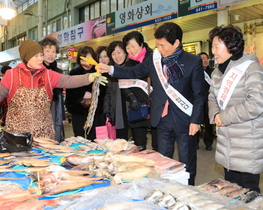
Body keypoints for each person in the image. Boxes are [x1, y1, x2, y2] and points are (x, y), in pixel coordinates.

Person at [97, 22, 205, 185]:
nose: (159, 49)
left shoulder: (193, 61)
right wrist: (111, 69)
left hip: (185, 120)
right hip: (162, 118)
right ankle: (165, 192)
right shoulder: (155, 59)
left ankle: (188, 191)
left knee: (186, 161)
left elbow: (199, 95)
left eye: (162, 45)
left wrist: (196, 120)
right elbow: (134, 71)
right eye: (157, 45)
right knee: (162, 162)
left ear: (176, 43)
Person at [0, 40, 106, 140]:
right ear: (27, 57)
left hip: (43, 134)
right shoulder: (12, 75)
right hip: (16, 134)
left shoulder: (48, 74)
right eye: (36, 56)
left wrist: (89, 77)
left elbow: (68, 80)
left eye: (41, 55)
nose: (40, 59)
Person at [208, 25, 263, 193]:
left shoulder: (250, 68)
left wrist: (224, 117)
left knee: (249, 192)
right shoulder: (217, 72)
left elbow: (257, 103)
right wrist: (215, 114)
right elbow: (211, 97)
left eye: (217, 46)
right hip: (226, 142)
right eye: (212, 46)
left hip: (247, 143)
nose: (213, 51)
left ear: (231, 46)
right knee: (230, 190)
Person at [122, 31, 158, 151]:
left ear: (141, 44)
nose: (131, 50)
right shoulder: (127, 64)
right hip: (137, 108)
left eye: (133, 46)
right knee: (139, 145)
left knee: (158, 145)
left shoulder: (154, 58)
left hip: (155, 107)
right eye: (127, 47)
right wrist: (131, 96)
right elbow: (123, 84)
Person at [65, 46, 106, 140]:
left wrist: (94, 95)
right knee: (79, 139)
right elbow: (70, 93)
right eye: (83, 60)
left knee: (94, 139)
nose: (86, 63)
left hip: (95, 112)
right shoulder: (74, 72)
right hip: (78, 111)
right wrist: (82, 94)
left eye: (89, 59)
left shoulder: (98, 72)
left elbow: (103, 91)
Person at [38, 37, 65, 142]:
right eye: (47, 51)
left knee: (56, 137)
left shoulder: (58, 71)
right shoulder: (37, 70)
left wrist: (62, 115)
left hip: (56, 106)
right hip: (41, 109)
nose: (51, 54)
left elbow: (60, 95)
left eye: (53, 51)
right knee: (42, 140)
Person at [103, 41, 129, 140]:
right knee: (120, 141)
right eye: (113, 54)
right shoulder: (110, 71)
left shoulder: (132, 67)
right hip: (117, 112)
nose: (117, 56)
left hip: (132, 111)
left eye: (119, 52)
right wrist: (107, 111)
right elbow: (108, 94)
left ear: (125, 52)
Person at [197, 52, 214, 150]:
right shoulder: (196, 71)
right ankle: (195, 143)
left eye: (206, 58)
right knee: (197, 121)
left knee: (209, 123)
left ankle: (208, 143)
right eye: (203, 58)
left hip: (209, 101)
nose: (205, 60)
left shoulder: (212, 72)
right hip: (198, 101)